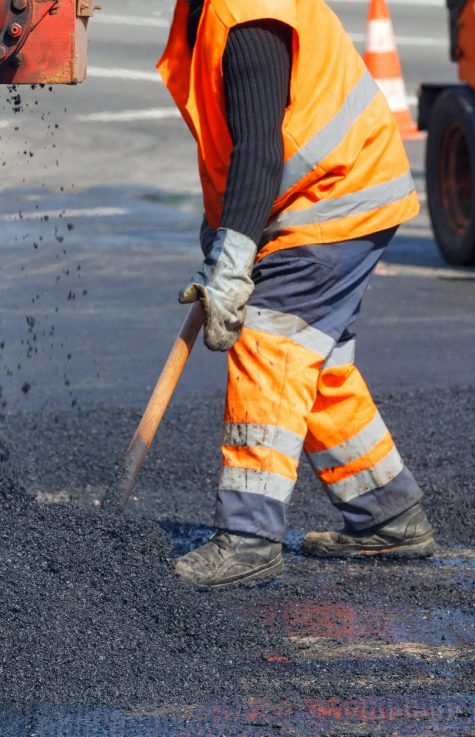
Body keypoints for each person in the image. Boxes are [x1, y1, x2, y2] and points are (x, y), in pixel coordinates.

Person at [160, 0, 435, 589]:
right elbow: (240, 144)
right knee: (318, 361)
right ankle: (388, 511)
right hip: (332, 191)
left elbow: (261, 149)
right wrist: (226, 234)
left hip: (332, 198)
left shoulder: (248, 15)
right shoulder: (210, 11)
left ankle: (249, 536)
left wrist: (234, 257)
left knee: (269, 342)